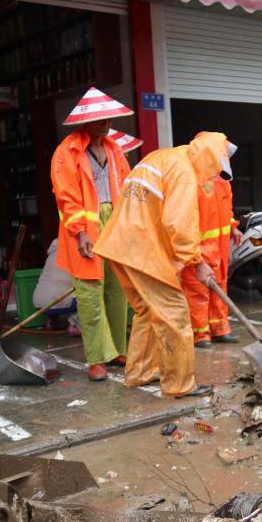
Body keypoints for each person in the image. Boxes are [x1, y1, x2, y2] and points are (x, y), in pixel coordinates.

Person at [93, 131, 235, 398]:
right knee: (175, 314)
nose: (213, 176)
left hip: (120, 244)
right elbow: (179, 225)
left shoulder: (164, 157)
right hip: (141, 251)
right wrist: (195, 262)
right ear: (209, 157)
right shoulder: (183, 173)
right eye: (216, 168)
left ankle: (139, 373)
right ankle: (179, 384)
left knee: (148, 311)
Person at [51, 87, 132, 381]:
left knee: (117, 289)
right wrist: (80, 231)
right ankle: (96, 359)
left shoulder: (114, 149)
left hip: (114, 223)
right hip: (84, 229)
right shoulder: (67, 151)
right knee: (89, 294)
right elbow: (66, 196)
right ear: (85, 121)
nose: (106, 124)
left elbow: (126, 186)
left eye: (109, 119)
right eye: (100, 120)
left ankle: (117, 351)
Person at [183, 173, 240, 347]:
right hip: (199, 247)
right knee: (197, 290)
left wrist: (233, 227)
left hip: (219, 247)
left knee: (220, 286)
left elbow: (226, 209)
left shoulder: (223, 181)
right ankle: (200, 334)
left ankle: (219, 328)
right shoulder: (191, 181)